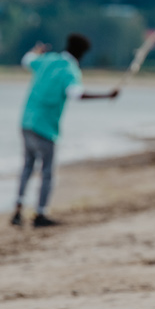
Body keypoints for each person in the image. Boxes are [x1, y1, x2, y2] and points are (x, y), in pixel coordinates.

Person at [11, 33, 119, 228]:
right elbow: (75, 94)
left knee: (27, 166)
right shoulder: (70, 70)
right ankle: (40, 214)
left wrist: (36, 50)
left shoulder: (47, 59)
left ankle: (18, 209)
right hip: (45, 127)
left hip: (26, 121)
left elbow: (26, 60)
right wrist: (106, 96)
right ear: (83, 54)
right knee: (47, 172)